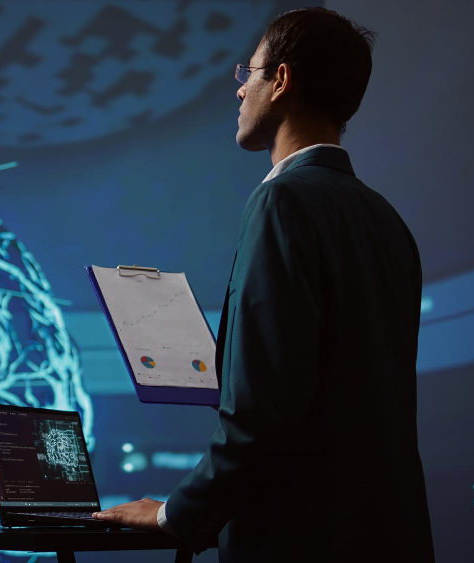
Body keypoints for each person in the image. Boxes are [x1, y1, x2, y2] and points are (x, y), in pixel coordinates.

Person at [91, 7, 434, 562]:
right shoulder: (387, 220)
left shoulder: (282, 202)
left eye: (247, 73)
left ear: (280, 80)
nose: (239, 91)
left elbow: (264, 412)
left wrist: (173, 513)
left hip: (299, 541)